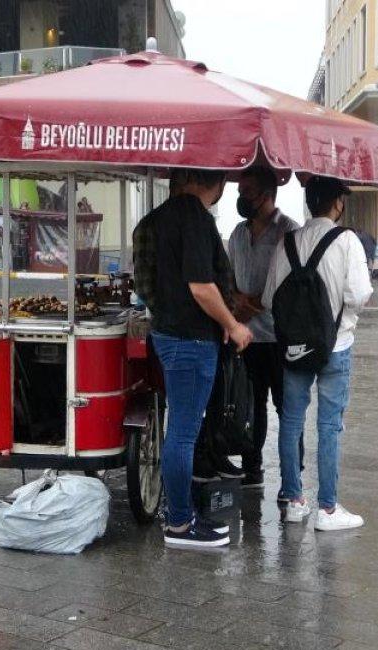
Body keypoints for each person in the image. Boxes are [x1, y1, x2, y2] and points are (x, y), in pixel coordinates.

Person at [140, 167, 251, 548]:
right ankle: (180, 525)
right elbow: (202, 287)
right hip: (190, 341)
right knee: (183, 435)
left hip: (169, 334)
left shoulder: (157, 219)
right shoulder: (194, 218)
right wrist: (232, 325)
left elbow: (150, 285)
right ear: (214, 182)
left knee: (180, 431)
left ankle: (180, 515)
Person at [263, 176, 371, 531]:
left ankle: (294, 501)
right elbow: (358, 294)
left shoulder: (288, 241)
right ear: (338, 202)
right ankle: (327, 509)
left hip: (294, 348)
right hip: (336, 346)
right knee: (329, 426)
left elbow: (268, 299)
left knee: (291, 421)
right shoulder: (347, 241)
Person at [225, 166, 301, 488]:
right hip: (246, 339)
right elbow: (228, 280)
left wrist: (253, 304)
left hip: (280, 338)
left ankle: (292, 477)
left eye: (247, 192)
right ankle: (252, 468)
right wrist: (236, 302)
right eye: (240, 192)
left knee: (288, 409)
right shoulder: (238, 234)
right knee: (250, 408)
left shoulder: (290, 233)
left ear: (267, 195)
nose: (241, 198)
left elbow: (292, 286)